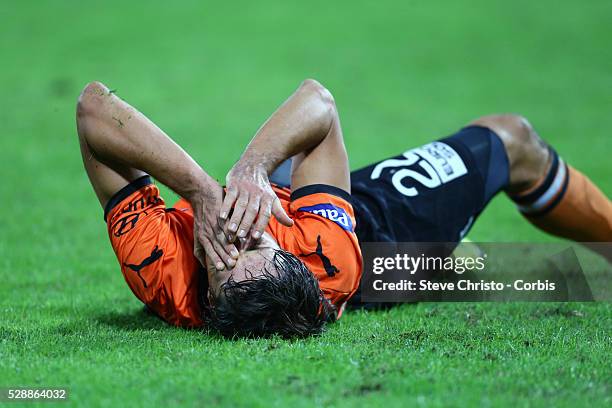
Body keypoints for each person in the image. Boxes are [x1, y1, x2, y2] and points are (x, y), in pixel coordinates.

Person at [76, 79, 612, 337]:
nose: (234, 232)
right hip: (373, 242)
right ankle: (444, 265)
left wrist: (209, 185)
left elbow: (93, 110)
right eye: (238, 249)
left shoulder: (161, 267)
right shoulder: (327, 259)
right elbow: (320, 104)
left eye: (237, 247)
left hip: (293, 207)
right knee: (513, 140)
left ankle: (451, 265)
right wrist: (252, 180)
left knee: (281, 155)